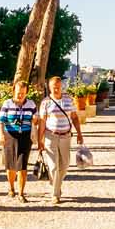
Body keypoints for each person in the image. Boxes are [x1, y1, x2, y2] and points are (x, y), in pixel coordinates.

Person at [35, 76, 83, 204]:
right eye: (53, 87)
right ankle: (55, 194)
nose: (56, 89)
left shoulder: (69, 100)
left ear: (61, 86)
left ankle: (55, 183)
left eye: (58, 86)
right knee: (54, 166)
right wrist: (40, 140)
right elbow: (42, 122)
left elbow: (74, 117)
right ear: (49, 88)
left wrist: (79, 133)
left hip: (66, 136)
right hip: (51, 136)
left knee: (65, 164)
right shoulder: (46, 102)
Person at [0, 81, 38, 201]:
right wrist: (1, 135)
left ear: (26, 92)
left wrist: (35, 122)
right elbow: (1, 120)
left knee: (22, 165)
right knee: (10, 165)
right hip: (10, 136)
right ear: (13, 91)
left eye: (23, 93)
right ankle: (11, 188)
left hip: (25, 136)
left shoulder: (31, 104)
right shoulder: (7, 103)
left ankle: (21, 193)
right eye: (18, 93)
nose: (20, 95)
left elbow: (36, 119)